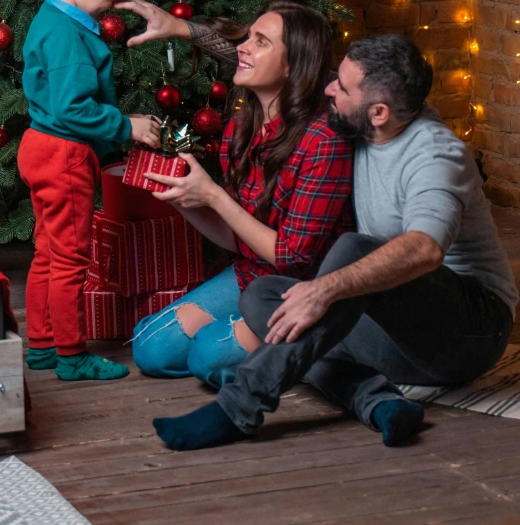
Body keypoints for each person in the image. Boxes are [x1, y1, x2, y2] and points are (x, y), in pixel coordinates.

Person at [121, 28, 517, 451]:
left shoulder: (435, 155)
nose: (329, 88)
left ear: (378, 112)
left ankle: (237, 409)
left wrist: (324, 289)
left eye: (341, 87)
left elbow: (424, 249)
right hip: (396, 339)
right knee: (264, 297)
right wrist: (182, 27)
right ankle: (377, 400)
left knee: (349, 255)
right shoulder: (361, 113)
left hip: (467, 335)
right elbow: (287, 68)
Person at [126, 0, 354, 385]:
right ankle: (277, 351)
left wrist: (214, 196)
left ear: (292, 65)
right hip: (251, 273)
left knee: (207, 358)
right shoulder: (243, 124)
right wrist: (186, 200)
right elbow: (238, 239)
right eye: (248, 36)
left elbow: (293, 259)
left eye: (260, 42)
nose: (242, 48)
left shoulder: (324, 140)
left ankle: (315, 348)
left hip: (303, 288)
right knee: (150, 347)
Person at [18, 0, 161, 382]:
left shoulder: (52, 17)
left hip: (39, 146)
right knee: (71, 259)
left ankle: (41, 344)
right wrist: (126, 126)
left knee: (46, 251)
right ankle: (71, 355)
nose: (111, 6)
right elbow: (73, 107)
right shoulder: (70, 37)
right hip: (64, 154)